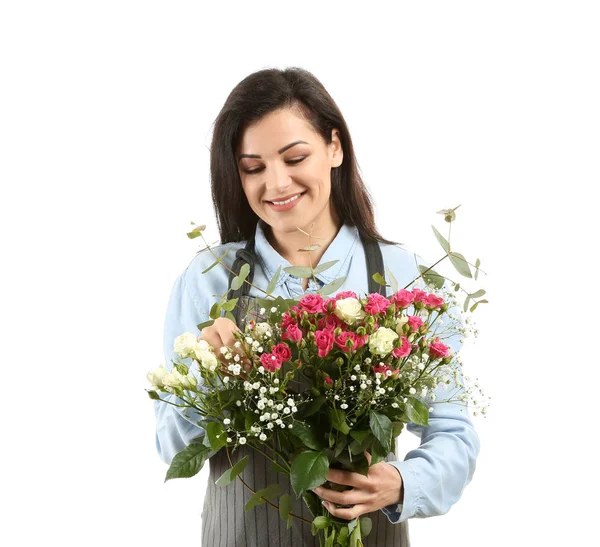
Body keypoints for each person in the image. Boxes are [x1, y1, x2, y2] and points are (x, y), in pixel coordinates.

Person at [153, 67, 480, 546]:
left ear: (334, 147)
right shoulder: (209, 280)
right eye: (253, 168)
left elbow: (454, 432)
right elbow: (170, 445)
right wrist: (210, 378)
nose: (277, 183)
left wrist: (404, 483)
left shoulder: (401, 276)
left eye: (294, 157)